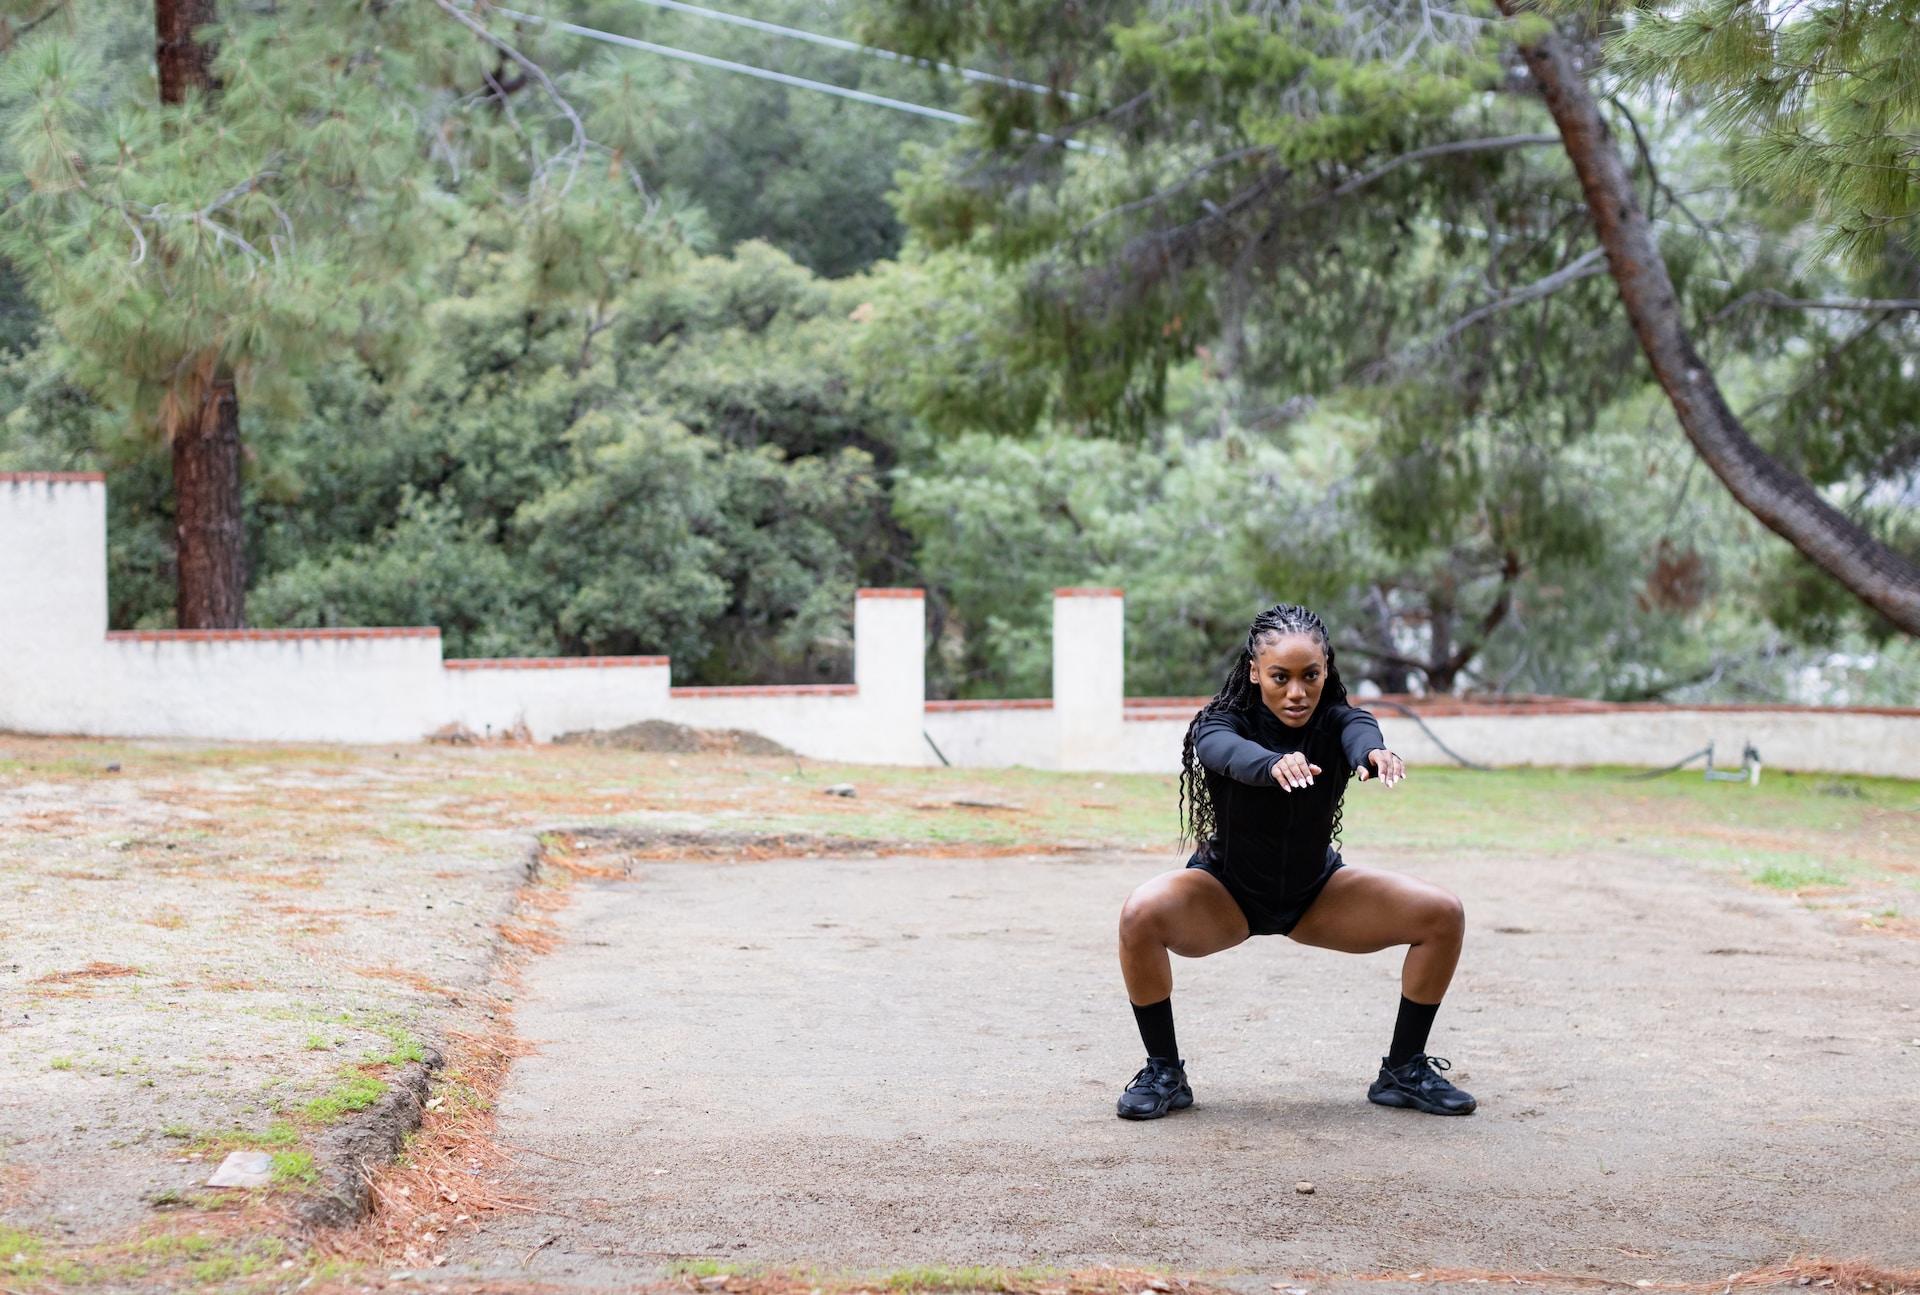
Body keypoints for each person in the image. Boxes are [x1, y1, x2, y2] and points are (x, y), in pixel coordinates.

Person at [1114, 603, 1474, 1119]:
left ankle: (1402, 1070)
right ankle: (1164, 1071)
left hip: (1316, 895)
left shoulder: (1339, 719)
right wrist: (1272, 764)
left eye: (1311, 676)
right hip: (1226, 895)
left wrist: (1374, 754)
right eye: (1280, 677)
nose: (1297, 692)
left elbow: (1360, 733)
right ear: (1255, 672)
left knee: (1442, 914)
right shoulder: (1220, 723)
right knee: (1139, 914)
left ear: (1326, 671)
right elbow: (1223, 752)